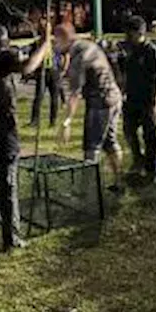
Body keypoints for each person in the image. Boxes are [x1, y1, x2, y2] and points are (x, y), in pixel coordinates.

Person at [0, 24, 52, 250]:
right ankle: (12, 237)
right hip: (2, 126)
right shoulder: (3, 58)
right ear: (4, 42)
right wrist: (45, 44)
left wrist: (39, 43)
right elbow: (27, 67)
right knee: (8, 177)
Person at [55, 24, 125, 192]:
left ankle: (87, 191)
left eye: (56, 41)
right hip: (114, 97)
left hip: (100, 102)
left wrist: (67, 122)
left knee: (91, 147)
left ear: (64, 38)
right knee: (110, 142)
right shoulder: (89, 45)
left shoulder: (79, 57)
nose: (55, 46)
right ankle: (118, 182)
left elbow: (74, 93)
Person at [121, 17, 156, 182]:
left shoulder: (152, 51)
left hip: (147, 99)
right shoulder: (130, 51)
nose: (126, 36)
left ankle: (150, 166)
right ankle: (138, 158)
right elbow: (126, 73)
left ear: (138, 33)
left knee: (149, 134)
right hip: (132, 98)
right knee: (129, 130)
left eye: (129, 33)